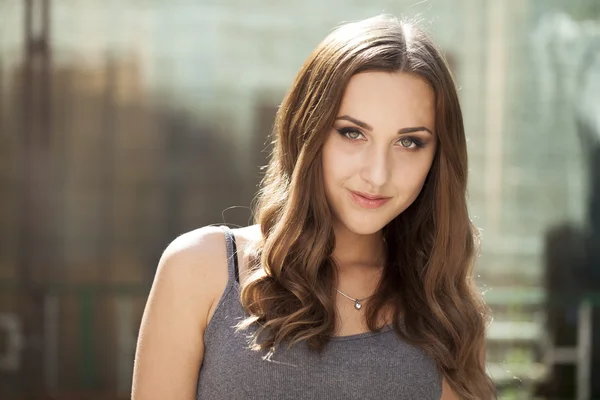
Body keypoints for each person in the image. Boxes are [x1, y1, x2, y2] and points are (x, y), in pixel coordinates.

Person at [132, 14, 496, 400]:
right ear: (308, 131)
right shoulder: (200, 269)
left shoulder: (443, 312)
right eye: (352, 133)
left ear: (438, 156)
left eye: (408, 142)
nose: (377, 174)